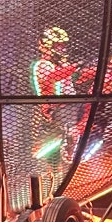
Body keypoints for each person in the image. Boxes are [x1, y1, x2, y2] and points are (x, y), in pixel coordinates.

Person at [30, 26, 80, 161]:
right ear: (48, 45)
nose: (62, 49)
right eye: (58, 46)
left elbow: (76, 79)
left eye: (63, 46)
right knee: (73, 130)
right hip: (57, 107)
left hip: (72, 104)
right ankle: (69, 151)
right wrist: (73, 68)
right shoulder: (43, 65)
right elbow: (52, 78)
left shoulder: (63, 64)